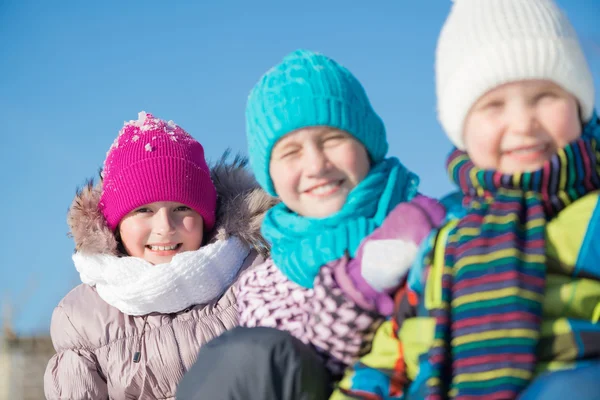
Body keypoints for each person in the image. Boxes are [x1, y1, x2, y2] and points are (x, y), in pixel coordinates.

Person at [333, 0, 600, 399]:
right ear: (462, 130)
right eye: (493, 105)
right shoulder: (445, 236)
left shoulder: (592, 215)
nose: (523, 123)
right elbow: (397, 348)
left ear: (580, 106)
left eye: (545, 96)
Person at [177, 49, 446, 399]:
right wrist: (361, 282)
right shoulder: (265, 286)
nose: (316, 165)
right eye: (291, 152)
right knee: (244, 358)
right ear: (270, 174)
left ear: (367, 144)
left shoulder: (432, 227)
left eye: (332, 140)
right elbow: (301, 372)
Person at [44, 111, 275, 400]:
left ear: (207, 217)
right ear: (115, 224)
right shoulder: (82, 319)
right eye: (144, 210)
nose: (165, 227)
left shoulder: (258, 278)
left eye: (182, 209)